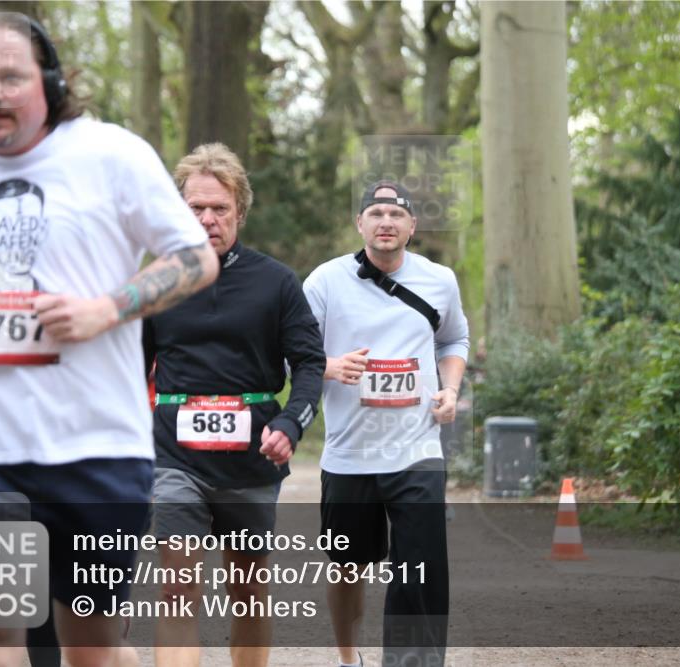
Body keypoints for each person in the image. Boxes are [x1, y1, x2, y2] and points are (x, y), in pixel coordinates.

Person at [0, 12, 219, 667]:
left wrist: (106, 308)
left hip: (99, 451)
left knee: (90, 651)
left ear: (53, 82)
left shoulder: (111, 156)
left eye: (10, 76)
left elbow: (195, 257)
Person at [144, 143, 325, 667]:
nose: (207, 219)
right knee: (179, 588)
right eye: (195, 208)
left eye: (219, 209)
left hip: (251, 461)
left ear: (239, 212)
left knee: (247, 594)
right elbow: (130, 370)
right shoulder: (158, 281)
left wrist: (292, 423)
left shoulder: (277, 282)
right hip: (175, 459)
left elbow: (310, 364)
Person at [303, 181, 469, 667]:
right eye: (375, 213)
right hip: (349, 453)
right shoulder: (324, 282)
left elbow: (454, 340)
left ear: (412, 227)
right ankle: (346, 655)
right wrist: (329, 366)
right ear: (360, 224)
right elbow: (295, 353)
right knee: (347, 566)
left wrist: (451, 390)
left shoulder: (440, 279)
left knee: (419, 567)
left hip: (417, 449)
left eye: (396, 215)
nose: (386, 222)